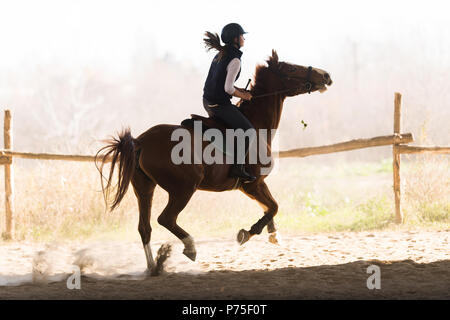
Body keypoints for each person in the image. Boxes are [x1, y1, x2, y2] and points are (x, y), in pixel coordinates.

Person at [202, 23, 256, 183]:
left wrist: (240, 90)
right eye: (242, 36)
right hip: (218, 105)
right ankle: (237, 168)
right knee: (249, 131)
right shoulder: (235, 60)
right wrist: (244, 96)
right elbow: (227, 88)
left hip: (207, 100)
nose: (244, 38)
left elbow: (222, 83)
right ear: (235, 39)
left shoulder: (221, 53)